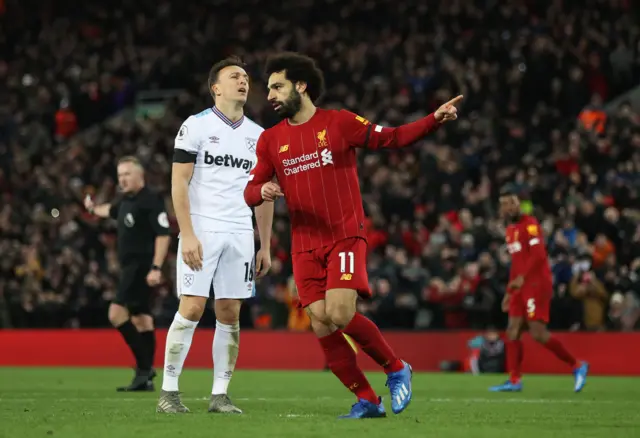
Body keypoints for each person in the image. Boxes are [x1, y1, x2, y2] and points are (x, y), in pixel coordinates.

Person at [244, 52, 462, 419]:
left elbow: (391, 138)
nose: (270, 95)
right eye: (268, 89)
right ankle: (367, 400)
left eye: (277, 86)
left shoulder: (339, 123)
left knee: (341, 312)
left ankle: (395, 367)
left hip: (344, 233)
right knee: (319, 319)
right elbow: (250, 189)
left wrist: (433, 120)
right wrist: (262, 192)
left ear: (301, 86)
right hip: (304, 244)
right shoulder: (269, 140)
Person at [157, 57, 273, 414]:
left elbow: (264, 192)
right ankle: (169, 392)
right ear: (216, 88)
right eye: (234, 76)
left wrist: (264, 243)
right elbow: (179, 181)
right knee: (192, 306)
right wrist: (187, 234)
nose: (243, 81)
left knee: (229, 311)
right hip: (202, 227)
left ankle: (220, 395)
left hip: (240, 230)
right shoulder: (195, 126)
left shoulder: (259, 136)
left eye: (246, 77)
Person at [490, 186, 589, 393]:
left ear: (519, 204)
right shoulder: (510, 231)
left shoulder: (531, 225)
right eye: (503, 204)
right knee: (512, 330)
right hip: (519, 285)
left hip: (536, 283)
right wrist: (510, 291)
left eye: (510, 202)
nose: (507, 207)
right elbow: (516, 263)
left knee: (538, 333)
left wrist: (521, 279)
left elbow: (538, 256)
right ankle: (515, 380)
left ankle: (577, 365)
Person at [84, 156, 171, 391]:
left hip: (140, 268)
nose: (122, 179)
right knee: (142, 319)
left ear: (139, 175)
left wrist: (156, 267)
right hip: (128, 267)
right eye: (120, 175)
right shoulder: (123, 199)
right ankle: (145, 378)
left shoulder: (150, 200)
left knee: (116, 313)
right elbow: (108, 210)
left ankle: (145, 368)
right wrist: (93, 208)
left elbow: (163, 234)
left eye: (127, 174)